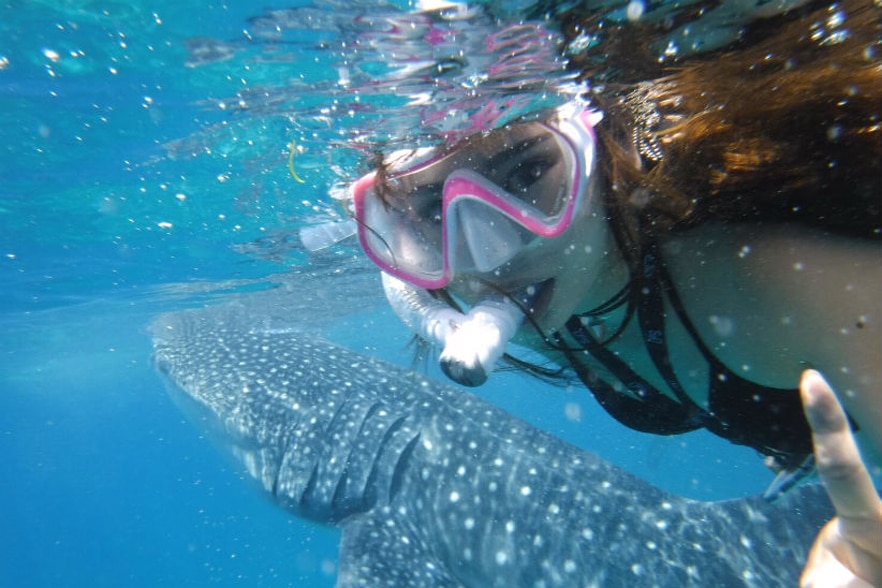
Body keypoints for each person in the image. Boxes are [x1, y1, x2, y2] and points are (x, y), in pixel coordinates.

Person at [346, 0, 881, 581]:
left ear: (595, 147)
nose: (492, 256)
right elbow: (401, 282)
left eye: (527, 173)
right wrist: (430, 315)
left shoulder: (792, 287)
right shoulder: (525, 285)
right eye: (429, 209)